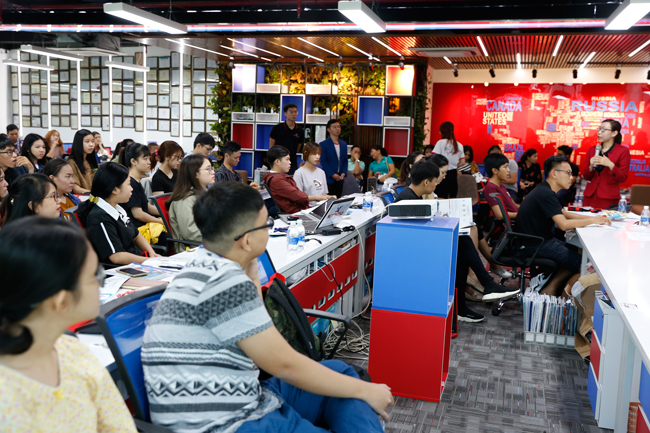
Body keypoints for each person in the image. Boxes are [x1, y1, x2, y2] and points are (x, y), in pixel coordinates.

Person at [142, 182, 393, 433]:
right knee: (354, 389)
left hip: (243, 394)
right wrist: (367, 390)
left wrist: (250, 269)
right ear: (247, 240)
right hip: (226, 423)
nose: (271, 230)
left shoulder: (205, 264)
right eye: (267, 224)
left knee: (340, 373)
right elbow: (284, 364)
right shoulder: (224, 283)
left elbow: (260, 337)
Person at [0, 218, 138, 433]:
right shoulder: (8, 403)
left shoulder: (73, 350)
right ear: (60, 300)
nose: (101, 283)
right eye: (95, 275)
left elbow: (119, 426)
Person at [516, 155, 611, 296]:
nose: (571, 177)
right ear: (554, 174)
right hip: (536, 245)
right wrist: (592, 221)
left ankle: (551, 288)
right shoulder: (546, 194)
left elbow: (564, 213)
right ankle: (556, 295)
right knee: (583, 266)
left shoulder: (545, 190)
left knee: (576, 252)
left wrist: (593, 218)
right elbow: (564, 224)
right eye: (568, 173)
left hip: (539, 241)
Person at [78, 163, 158, 264]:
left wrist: (152, 254)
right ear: (115, 190)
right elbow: (116, 256)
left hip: (136, 263)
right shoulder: (99, 217)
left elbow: (137, 236)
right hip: (121, 269)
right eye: (128, 184)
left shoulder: (117, 209)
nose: (131, 188)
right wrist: (149, 261)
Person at [118, 143, 167, 246]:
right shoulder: (130, 182)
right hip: (137, 230)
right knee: (168, 236)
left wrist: (167, 213)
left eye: (149, 158)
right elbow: (138, 214)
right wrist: (161, 221)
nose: (149, 162)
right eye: (145, 159)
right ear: (133, 161)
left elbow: (147, 207)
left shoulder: (136, 180)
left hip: (143, 225)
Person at [167, 154, 215, 251]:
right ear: (195, 174)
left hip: (207, 243)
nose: (213, 172)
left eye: (212, 168)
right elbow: (190, 233)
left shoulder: (204, 192)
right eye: (208, 169)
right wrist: (221, 237)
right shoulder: (185, 199)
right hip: (192, 248)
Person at [263, 146, 331, 214]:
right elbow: (299, 197)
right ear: (277, 162)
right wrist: (317, 197)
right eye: (287, 159)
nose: (290, 162)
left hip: (299, 210)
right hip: (297, 213)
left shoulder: (276, 177)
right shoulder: (277, 180)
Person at [582, 119, 631, 209]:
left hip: (608, 198)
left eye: (603, 130)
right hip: (589, 197)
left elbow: (623, 177)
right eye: (599, 129)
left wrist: (611, 165)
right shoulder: (592, 150)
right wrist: (590, 166)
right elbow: (586, 176)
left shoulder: (623, 151)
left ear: (614, 133)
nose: (599, 132)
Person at [294, 142, 334, 207]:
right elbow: (298, 198)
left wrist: (330, 197)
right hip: (307, 208)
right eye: (314, 154)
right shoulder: (299, 173)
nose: (317, 157)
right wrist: (316, 197)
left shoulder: (321, 172)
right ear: (306, 153)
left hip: (322, 207)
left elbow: (323, 194)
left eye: (319, 154)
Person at [483, 152, 519, 221]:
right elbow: (500, 215)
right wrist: (522, 214)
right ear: (495, 171)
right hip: (513, 224)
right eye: (505, 167)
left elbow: (515, 205)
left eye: (508, 167)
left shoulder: (501, 185)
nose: (508, 170)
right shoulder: (491, 188)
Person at [432, 121, 465, 198]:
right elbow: (462, 162)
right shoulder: (459, 145)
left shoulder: (440, 143)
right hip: (453, 174)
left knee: (440, 197)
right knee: (452, 198)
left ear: (441, 132)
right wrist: (454, 165)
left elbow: (434, 158)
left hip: (441, 173)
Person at [270, 103, 304, 175]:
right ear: (285, 113)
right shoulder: (277, 128)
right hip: (278, 162)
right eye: (291, 112)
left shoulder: (300, 130)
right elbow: (271, 147)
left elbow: (298, 148)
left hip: (292, 163)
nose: (294, 114)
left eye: (295, 112)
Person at [319, 119, 348, 197]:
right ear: (328, 129)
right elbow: (323, 161)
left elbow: (345, 160)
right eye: (334, 127)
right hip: (329, 178)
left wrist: (344, 173)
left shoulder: (343, 144)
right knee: (329, 200)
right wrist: (332, 174)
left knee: (338, 199)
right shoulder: (323, 144)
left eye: (338, 127)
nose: (337, 129)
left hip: (340, 179)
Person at [68, 129, 98, 194]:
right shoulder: (72, 163)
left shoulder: (92, 161)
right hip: (82, 197)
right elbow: (76, 189)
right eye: (87, 141)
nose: (91, 144)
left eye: (93, 141)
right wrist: (93, 195)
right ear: (79, 143)